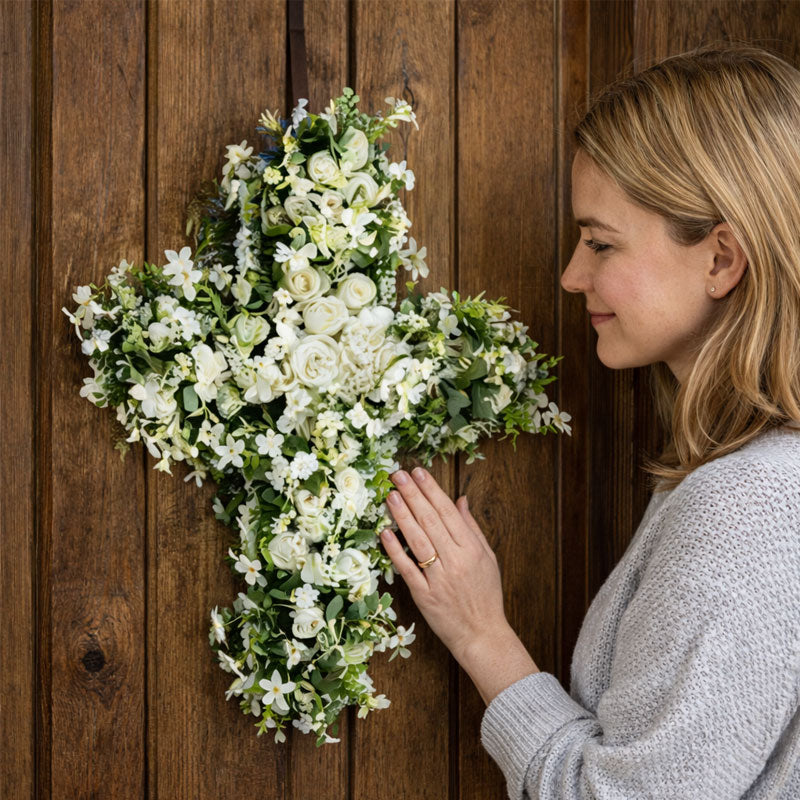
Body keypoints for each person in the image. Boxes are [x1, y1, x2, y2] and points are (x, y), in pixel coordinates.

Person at [378, 41, 800, 799]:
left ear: (721, 260)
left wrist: (483, 636)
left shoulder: (753, 505)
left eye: (600, 242)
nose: (573, 276)